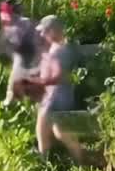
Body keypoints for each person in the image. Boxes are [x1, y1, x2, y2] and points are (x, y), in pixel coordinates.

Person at [27, 15, 86, 160]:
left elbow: (58, 76)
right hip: (54, 96)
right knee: (56, 131)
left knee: (48, 129)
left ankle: (45, 160)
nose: (42, 34)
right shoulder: (57, 47)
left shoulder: (62, 51)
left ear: (53, 31)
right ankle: (76, 160)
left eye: (44, 31)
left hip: (57, 97)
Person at [0, 2, 40, 105]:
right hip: (35, 60)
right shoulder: (26, 22)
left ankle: (10, 105)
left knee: (14, 88)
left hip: (23, 60)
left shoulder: (14, 26)